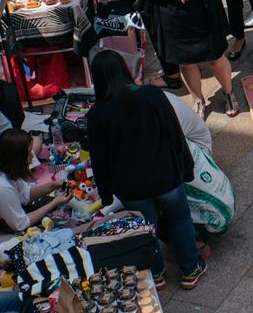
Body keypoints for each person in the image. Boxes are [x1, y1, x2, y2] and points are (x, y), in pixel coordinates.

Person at [86, 50, 206, 291]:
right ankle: (190, 270)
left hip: (131, 187)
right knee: (181, 218)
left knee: (144, 229)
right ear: (123, 69)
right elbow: (174, 134)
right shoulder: (152, 95)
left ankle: (157, 275)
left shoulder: (97, 115)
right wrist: (187, 166)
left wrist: (106, 192)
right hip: (165, 176)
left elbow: (100, 159)